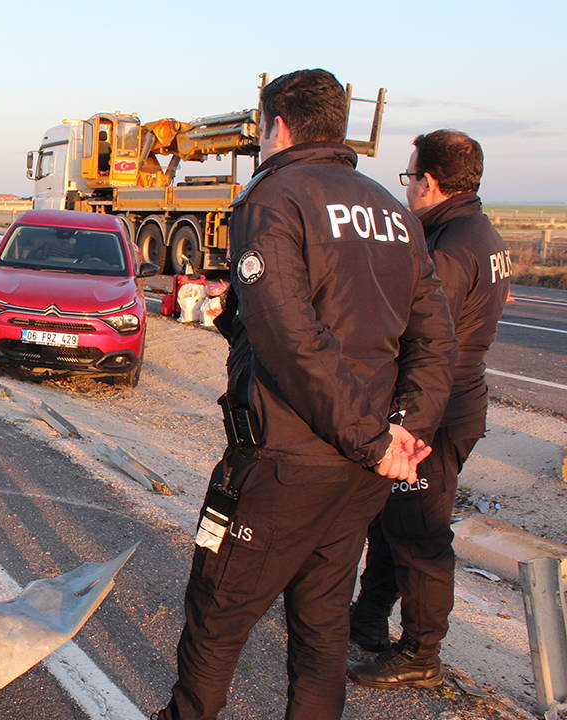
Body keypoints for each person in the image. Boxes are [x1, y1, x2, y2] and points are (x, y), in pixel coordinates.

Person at [152, 69, 456, 720]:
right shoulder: (392, 211)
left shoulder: (273, 197)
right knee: (321, 630)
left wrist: (375, 440)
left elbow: (295, 340)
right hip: (359, 475)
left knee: (216, 613)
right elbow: (434, 339)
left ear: (278, 127)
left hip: (284, 464)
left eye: (262, 130)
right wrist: (404, 431)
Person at [348, 130, 510, 688]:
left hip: (434, 410)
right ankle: (368, 621)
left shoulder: (448, 248)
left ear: (431, 181)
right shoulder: (479, 231)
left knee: (420, 534)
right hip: (455, 399)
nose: (408, 187)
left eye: (410, 176)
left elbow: (413, 332)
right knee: (392, 520)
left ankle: (421, 652)